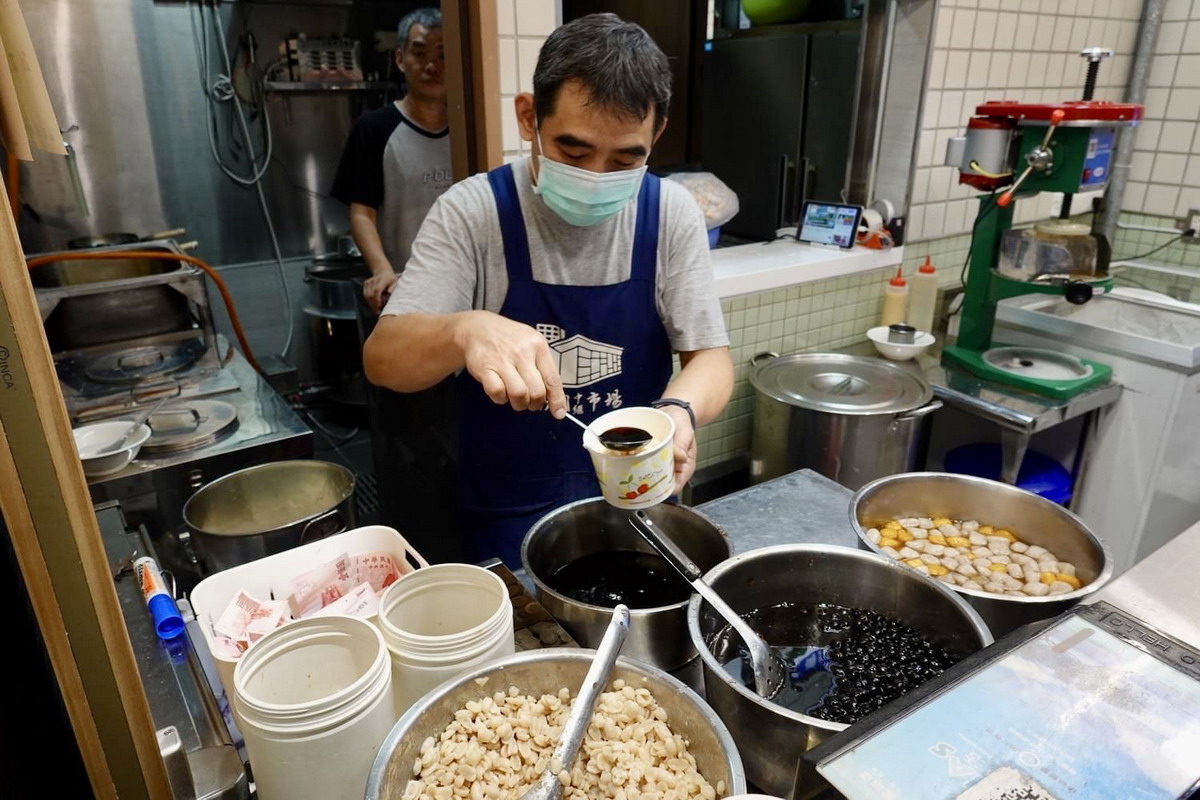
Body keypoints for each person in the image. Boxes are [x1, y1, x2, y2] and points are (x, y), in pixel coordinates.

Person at [364, 13, 734, 567]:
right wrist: (463, 329)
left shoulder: (670, 215)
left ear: (656, 135)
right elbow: (384, 361)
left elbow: (711, 357)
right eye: (575, 153)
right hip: (508, 515)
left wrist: (679, 412)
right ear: (528, 115)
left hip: (641, 503)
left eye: (625, 158)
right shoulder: (474, 213)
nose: (598, 177)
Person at [331, 7, 451, 313]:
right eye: (420, 53)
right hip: (403, 288)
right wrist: (381, 269)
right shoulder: (374, 128)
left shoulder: (471, 130)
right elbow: (361, 213)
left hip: (462, 284)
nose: (431, 66)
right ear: (400, 59)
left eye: (442, 55)